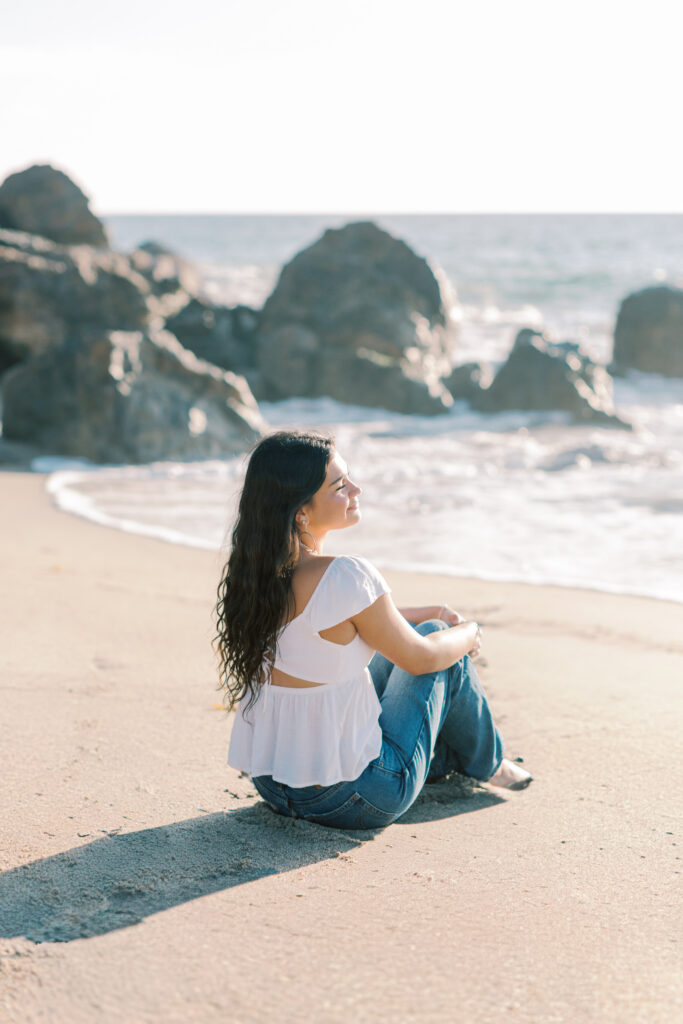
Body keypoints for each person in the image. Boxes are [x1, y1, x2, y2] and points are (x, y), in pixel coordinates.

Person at [215, 429, 532, 830]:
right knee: (442, 648)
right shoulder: (346, 575)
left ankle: (450, 757)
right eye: (340, 485)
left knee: (425, 627)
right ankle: (490, 764)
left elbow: (342, 621)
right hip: (356, 797)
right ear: (301, 512)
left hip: (276, 784)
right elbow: (422, 659)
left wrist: (426, 612)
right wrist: (470, 632)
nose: (356, 489)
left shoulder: (257, 574)